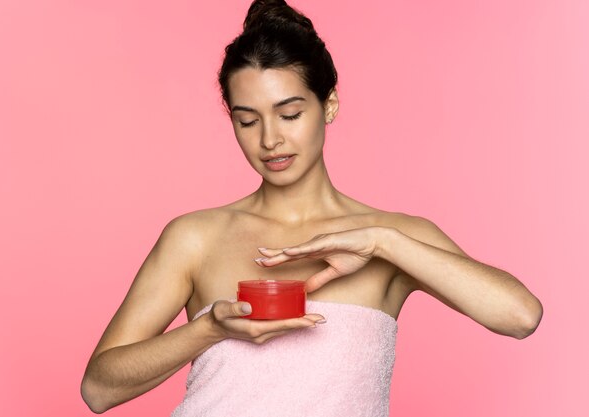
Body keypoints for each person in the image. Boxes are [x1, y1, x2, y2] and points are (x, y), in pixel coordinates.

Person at [80, 1, 543, 415]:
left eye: (290, 114)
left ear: (330, 105)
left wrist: (382, 241)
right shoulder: (195, 236)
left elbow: (519, 316)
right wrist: (210, 330)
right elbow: (99, 389)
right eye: (247, 120)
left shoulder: (393, 237)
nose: (269, 139)